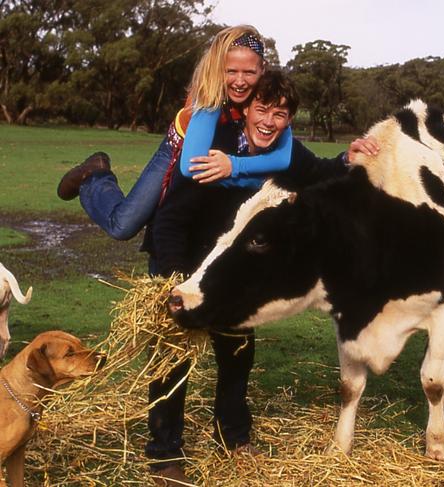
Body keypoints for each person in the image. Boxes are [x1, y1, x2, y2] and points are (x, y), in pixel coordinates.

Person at [147, 70, 378, 486]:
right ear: (246, 110)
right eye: (262, 110)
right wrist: (172, 278)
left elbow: (322, 173)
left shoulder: (286, 157)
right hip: (180, 263)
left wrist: (349, 157)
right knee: (171, 361)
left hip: (229, 275)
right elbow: (170, 217)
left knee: (237, 355)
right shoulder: (209, 152)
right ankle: (166, 455)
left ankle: (233, 438)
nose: (270, 121)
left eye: (282, 114)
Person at [55, 24, 293, 241]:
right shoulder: (209, 95)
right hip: (179, 151)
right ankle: (95, 176)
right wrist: (247, 174)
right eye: (231, 71)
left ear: (262, 69)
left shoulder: (269, 96)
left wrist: (235, 168)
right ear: (218, 68)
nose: (240, 81)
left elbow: (283, 157)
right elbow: (191, 166)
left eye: (249, 72)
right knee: (124, 226)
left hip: (218, 158)